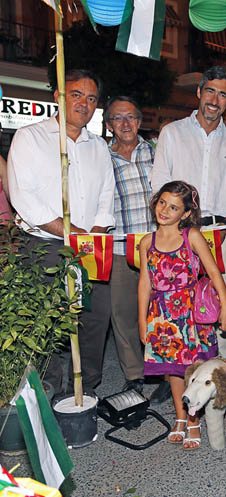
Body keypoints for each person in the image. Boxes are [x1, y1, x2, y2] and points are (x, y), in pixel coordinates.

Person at [7, 69, 115, 395]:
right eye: (76, 95)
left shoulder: (98, 146)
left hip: (90, 246)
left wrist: (93, 233)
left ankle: (85, 388)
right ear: (58, 97)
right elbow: (24, 197)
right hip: (45, 246)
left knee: (96, 317)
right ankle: (51, 388)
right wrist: (73, 233)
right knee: (47, 323)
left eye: (91, 98)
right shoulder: (30, 137)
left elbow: (106, 195)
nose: (84, 103)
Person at [151, 65, 226, 358]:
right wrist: (173, 227)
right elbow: (158, 186)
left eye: (222, 95)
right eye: (210, 91)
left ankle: (217, 368)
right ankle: (178, 367)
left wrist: (224, 226)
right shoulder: (172, 133)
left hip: (220, 233)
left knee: (219, 300)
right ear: (199, 92)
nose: (215, 99)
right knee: (175, 301)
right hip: (177, 233)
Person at [138, 181, 226, 451]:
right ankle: (180, 415)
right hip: (163, 316)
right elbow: (145, 282)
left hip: (190, 314)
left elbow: (214, 272)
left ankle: (193, 419)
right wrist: (142, 319)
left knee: (191, 370)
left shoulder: (191, 236)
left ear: (186, 213)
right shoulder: (147, 242)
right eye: (162, 203)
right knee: (173, 372)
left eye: (174, 207)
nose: (165, 210)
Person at [105, 96, 155, 396]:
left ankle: (163, 368)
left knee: (160, 311)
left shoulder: (158, 151)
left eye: (131, 117)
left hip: (158, 247)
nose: (125, 124)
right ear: (110, 124)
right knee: (122, 313)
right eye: (118, 118)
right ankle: (134, 374)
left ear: (140, 120)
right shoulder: (100, 157)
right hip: (121, 247)